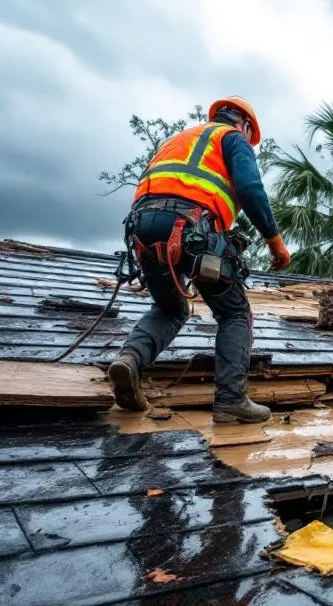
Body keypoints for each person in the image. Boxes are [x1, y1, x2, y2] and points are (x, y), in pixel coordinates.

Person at [107, 96, 292, 424]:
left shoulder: (177, 140)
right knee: (234, 313)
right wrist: (275, 242)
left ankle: (130, 360)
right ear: (245, 126)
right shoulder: (232, 138)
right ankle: (231, 401)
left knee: (169, 308)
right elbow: (250, 189)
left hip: (143, 230)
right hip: (192, 226)